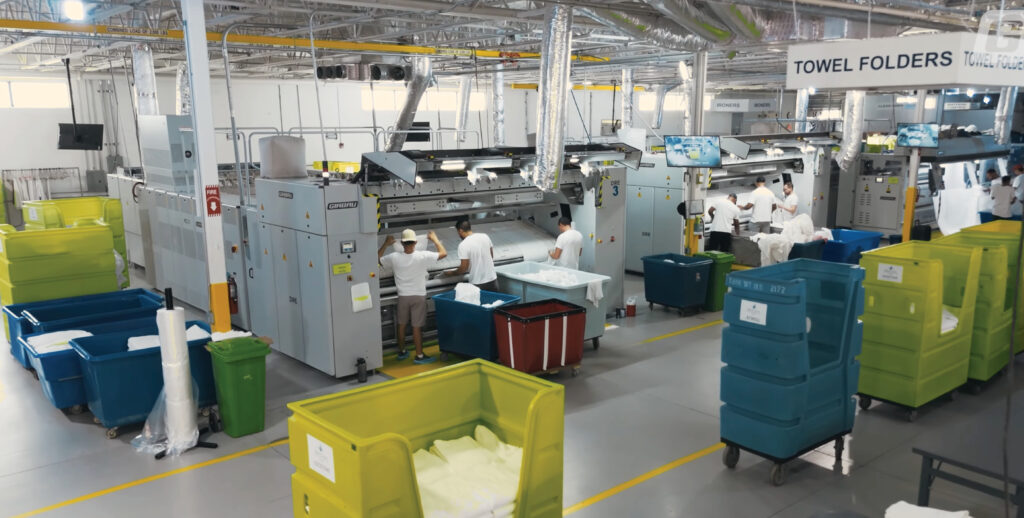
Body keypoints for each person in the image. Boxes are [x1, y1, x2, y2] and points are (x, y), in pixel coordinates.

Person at [378, 229, 447, 364]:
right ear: (415, 242)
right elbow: (443, 253)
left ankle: (402, 352)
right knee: (416, 327)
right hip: (418, 296)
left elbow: (377, 259)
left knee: (401, 324)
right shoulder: (422, 256)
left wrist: (386, 244)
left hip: (403, 296)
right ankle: (419, 356)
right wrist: (434, 239)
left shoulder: (394, 257)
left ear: (402, 243)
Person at [443, 219, 498, 292]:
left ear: (460, 231)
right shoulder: (485, 236)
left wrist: (451, 273)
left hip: (478, 283)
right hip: (493, 280)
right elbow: (491, 256)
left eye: (458, 232)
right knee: (494, 299)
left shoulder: (463, 245)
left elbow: (464, 268)